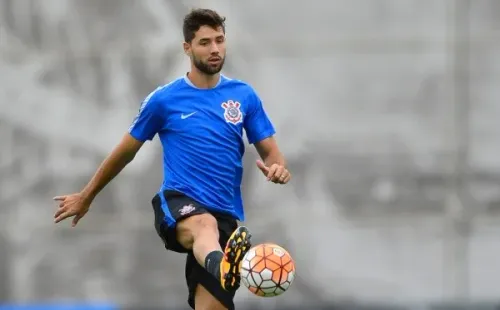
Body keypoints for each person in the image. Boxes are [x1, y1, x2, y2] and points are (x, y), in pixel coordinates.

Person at [53, 8, 290, 310]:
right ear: (187, 48)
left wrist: (278, 169)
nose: (215, 49)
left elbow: (271, 152)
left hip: (225, 221)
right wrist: (87, 196)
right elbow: (125, 152)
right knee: (204, 225)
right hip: (180, 202)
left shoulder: (244, 96)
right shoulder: (164, 100)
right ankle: (222, 267)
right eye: (205, 42)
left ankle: (219, 264)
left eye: (219, 40)